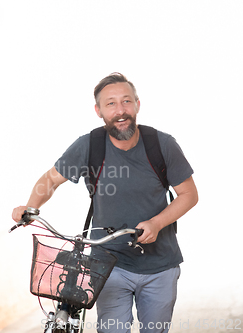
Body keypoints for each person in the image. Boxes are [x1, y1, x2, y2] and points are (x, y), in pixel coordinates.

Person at [11, 73, 198, 333]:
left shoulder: (162, 145)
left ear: (137, 104)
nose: (120, 111)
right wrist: (30, 208)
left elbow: (189, 194)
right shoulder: (90, 145)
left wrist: (156, 223)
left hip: (160, 266)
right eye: (111, 104)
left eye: (126, 101)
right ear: (98, 111)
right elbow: (51, 179)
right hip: (108, 265)